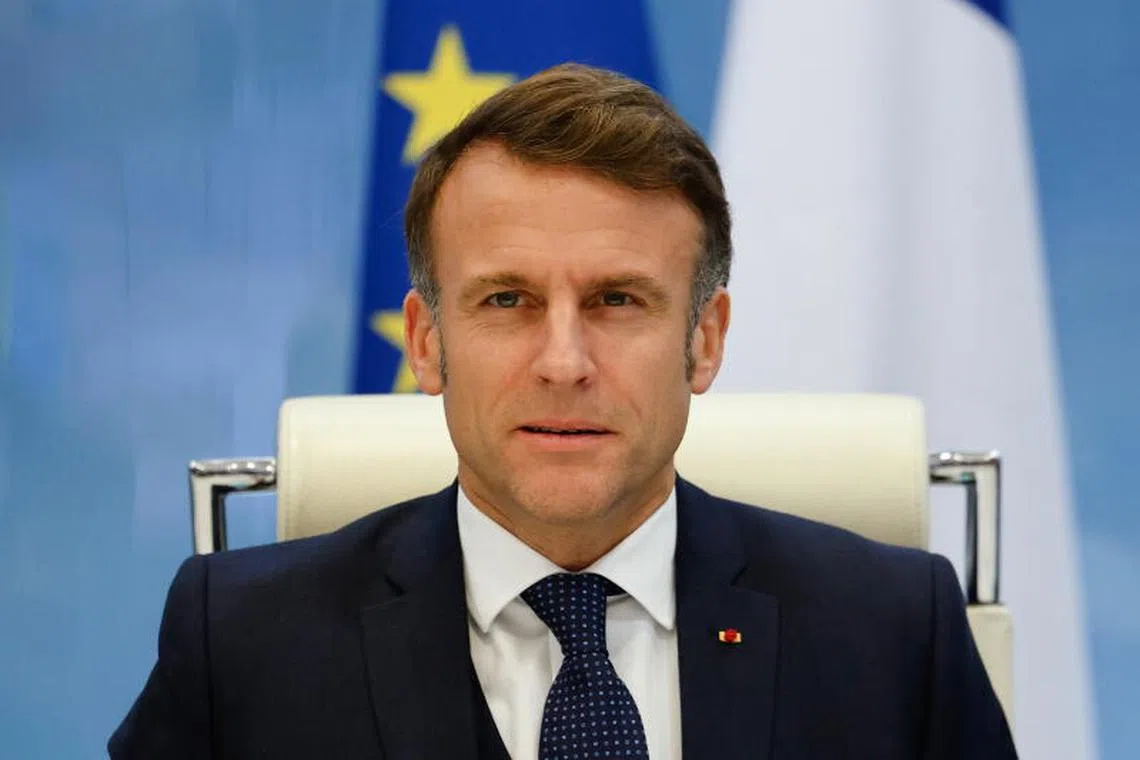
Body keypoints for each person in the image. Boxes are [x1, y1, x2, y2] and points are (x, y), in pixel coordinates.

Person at [110, 64, 1017, 759]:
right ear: (426, 343)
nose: (563, 362)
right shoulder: (240, 644)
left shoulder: (897, 631)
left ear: (704, 341)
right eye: (506, 301)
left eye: (619, 300)